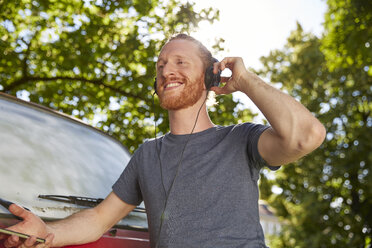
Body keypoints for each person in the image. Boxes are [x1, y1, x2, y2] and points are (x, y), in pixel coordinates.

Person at [0, 34, 326, 248]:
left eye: (181, 62)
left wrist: (245, 80)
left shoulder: (240, 139)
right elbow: (100, 219)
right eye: (161, 65)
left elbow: (306, 137)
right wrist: (49, 233)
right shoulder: (147, 154)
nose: (166, 69)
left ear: (212, 77)